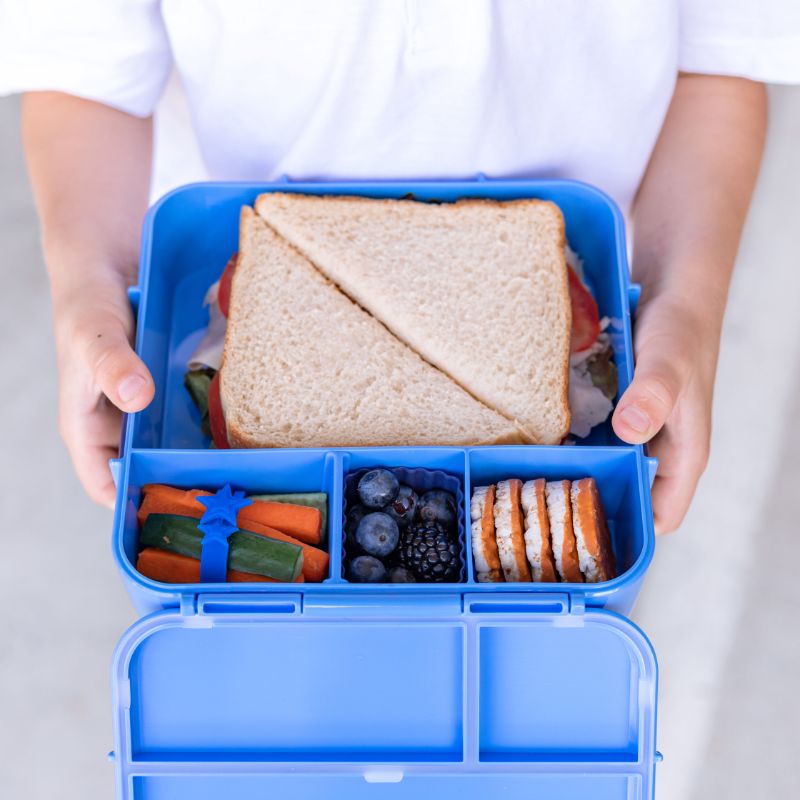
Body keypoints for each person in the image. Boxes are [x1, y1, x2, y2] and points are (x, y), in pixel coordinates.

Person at [1, 1, 798, 531]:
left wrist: (682, 304)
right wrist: (88, 288)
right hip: (228, 278)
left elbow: (721, 54)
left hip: (583, 285)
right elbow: (84, 71)